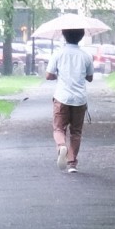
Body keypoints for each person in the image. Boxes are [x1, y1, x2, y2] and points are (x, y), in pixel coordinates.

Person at [45, 28, 95, 173]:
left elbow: (48, 75)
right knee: (76, 132)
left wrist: (59, 76)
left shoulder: (58, 54)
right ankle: (72, 164)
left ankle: (61, 146)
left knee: (59, 128)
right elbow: (90, 78)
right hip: (79, 99)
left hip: (62, 97)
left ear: (64, 36)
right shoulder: (85, 56)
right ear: (81, 37)